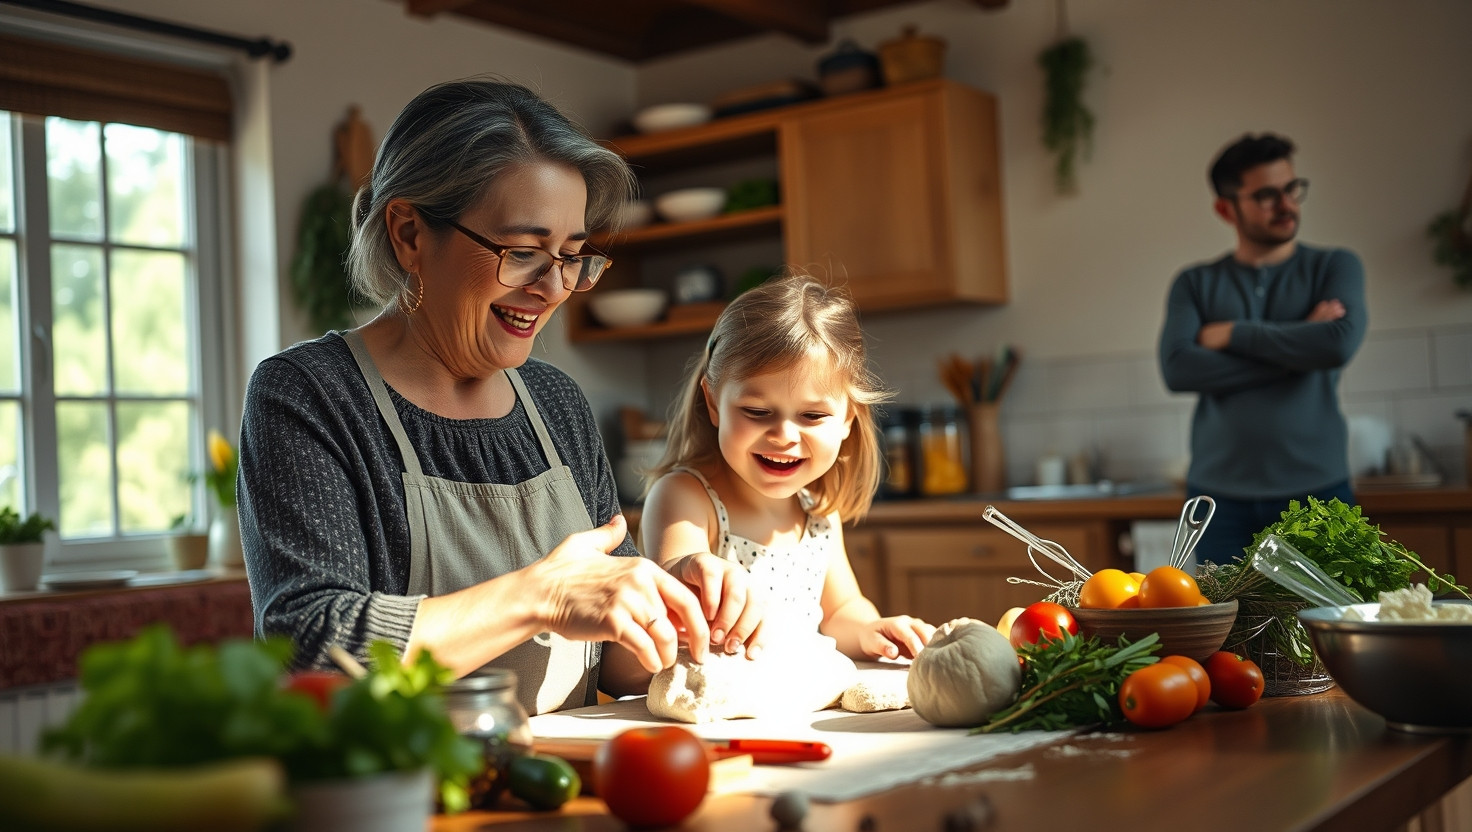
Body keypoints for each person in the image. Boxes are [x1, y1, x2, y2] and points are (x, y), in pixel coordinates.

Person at [239, 78, 732, 716]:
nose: (553, 288)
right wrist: (539, 597)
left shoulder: (556, 404)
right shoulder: (311, 395)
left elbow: (614, 652)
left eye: (572, 256)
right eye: (523, 252)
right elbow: (310, 648)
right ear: (410, 234)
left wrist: (676, 608)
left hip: (561, 772)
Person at [640, 273, 936, 662]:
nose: (783, 436)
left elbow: (841, 610)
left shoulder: (818, 513)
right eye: (757, 412)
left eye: (812, 415)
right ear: (713, 403)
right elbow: (672, 583)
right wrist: (691, 568)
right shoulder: (684, 496)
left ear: (848, 418)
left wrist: (870, 630)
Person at [1159, 133, 1367, 565]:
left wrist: (1234, 334)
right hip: (1216, 503)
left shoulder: (1335, 266)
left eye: (1292, 189)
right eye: (1266, 196)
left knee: (1327, 612)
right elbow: (1179, 369)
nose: (1286, 205)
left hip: (1318, 496)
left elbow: (1336, 344)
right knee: (1224, 614)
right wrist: (1300, 345)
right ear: (1225, 209)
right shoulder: (1194, 283)